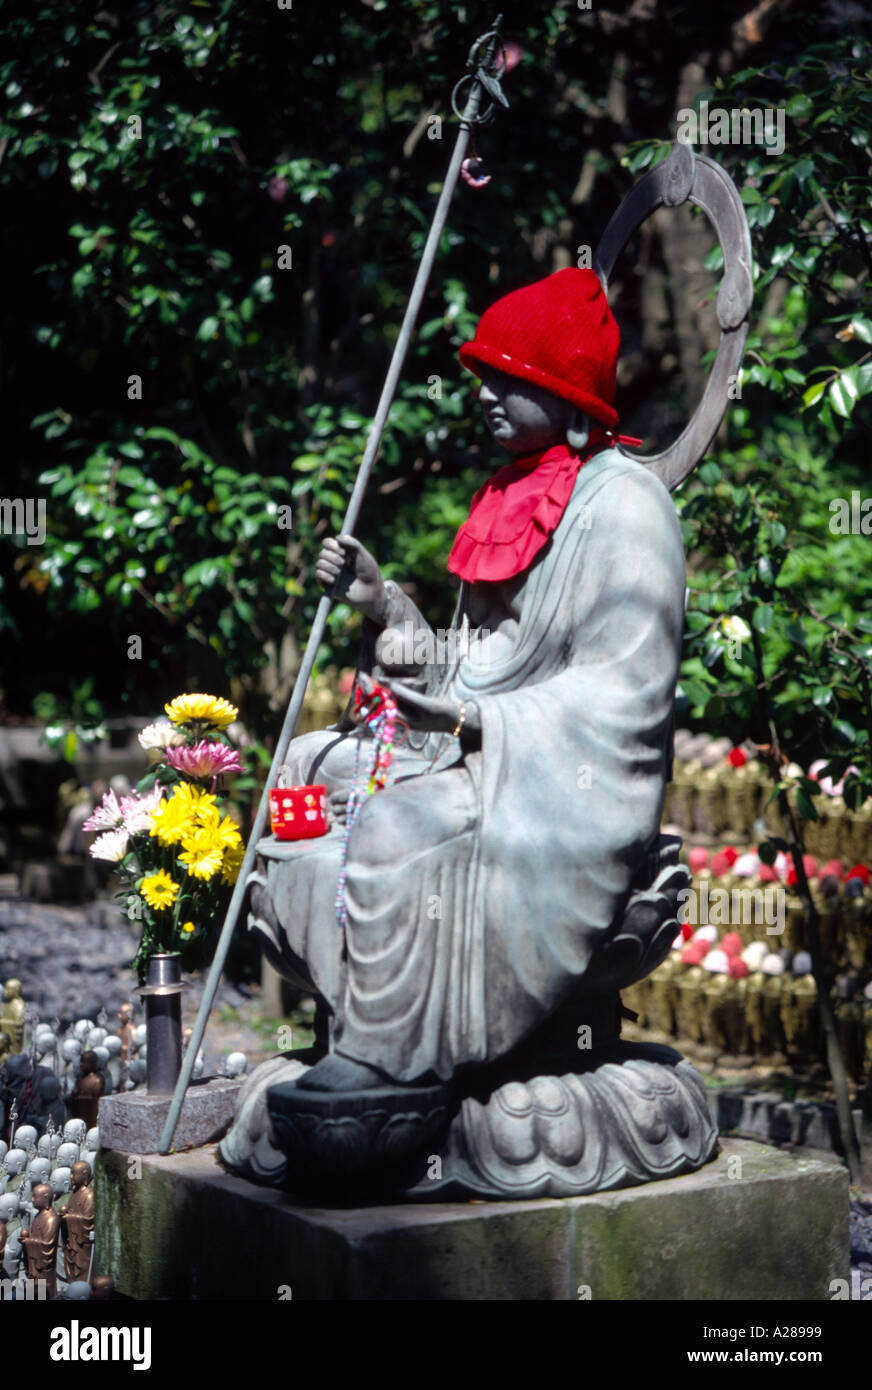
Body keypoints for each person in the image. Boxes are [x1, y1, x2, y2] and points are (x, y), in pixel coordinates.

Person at [249, 267, 685, 1095]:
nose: (485, 394)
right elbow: (477, 657)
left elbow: (626, 695)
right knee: (308, 763)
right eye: (484, 376)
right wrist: (389, 608)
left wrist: (478, 721)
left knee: (388, 827)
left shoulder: (626, 508)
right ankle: (356, 1020)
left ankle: (389, 1062)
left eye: (510, 379)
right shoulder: (507, 491)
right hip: (478, 749)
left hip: (557, 782)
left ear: (565, 394)